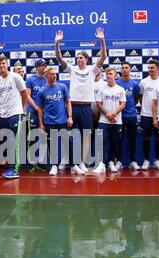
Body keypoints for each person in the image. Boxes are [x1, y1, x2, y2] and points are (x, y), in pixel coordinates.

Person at [55, 27, 107, 174]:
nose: (79, 59)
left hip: (86, 108)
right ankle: (68, 160)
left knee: (85, 137)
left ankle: (82, 162)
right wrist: (57, 43)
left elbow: (103, 58)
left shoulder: (92, 70)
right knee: (69, 136)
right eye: (77, 57)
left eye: (81, 57)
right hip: (73, 107)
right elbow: (59, 58)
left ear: (86, 60)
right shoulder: (72, 69)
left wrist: (102, 41)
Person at [0, 55, 29, 179]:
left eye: (3, 63)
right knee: (7, 142)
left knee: (14, 142)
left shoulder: (16, 77)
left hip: (15, 113)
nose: (1, 66)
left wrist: (20, 108)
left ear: (7, 64)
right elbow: (2, 98)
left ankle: (14, 170)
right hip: (3, 115)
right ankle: (10, 166)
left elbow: (24, 93)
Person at [36, 66, 73, 176]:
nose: (55, 75)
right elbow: (40, 108)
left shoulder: (62, 87)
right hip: (49, 122)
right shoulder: (42, 91)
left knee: (69, 143)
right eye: (52, 74)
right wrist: (41, 123)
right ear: (46, 76)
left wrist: (70, 116)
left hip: (62, 122)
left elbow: (68, 102)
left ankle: (74, 165)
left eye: (55, 73)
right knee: (52, 145)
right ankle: (54, 166)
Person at [93, 67, 126, 174]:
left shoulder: (120, 89)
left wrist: (114, 114)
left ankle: (111, 162)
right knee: (103, 143)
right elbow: (98, 103)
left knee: (114, 143)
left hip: (117, 121)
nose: (108, 75)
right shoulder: (102, 89)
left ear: (115, 76)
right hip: (103, 121)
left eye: (110, 74)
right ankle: (102, 164)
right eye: (107, 74)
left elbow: (123, 104)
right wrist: (107, 114)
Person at [139, 60, 159, 171]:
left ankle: (158, 160)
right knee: (146, 138)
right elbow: (140, 97)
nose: (150, 70)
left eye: (152, 67)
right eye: (148, 68)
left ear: (157, 68)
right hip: (146, 115)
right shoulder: (143, 82)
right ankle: (146, 160)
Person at [116, 61, 140, 171]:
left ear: (130, 70)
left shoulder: (134, 84)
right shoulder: (116, 84)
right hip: (119, 116)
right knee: (118, 140)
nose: (124, 69)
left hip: (131, 116)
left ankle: (133, 161)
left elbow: (135, 99)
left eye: (126, 68)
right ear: (120, 70)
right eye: (123, 68)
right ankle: (119, 161)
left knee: (132, 140)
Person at [25, 58, 47, 172]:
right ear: (36, 67)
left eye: (45, 65)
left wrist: (42, 109)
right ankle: (31, 162)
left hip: (44, 113)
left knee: (43, 137)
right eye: (42, 65)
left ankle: (41, 162)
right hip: (32, 112)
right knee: (32, 137)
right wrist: (36, 107)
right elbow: (27, 96)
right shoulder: (30, 79)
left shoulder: (46, 79)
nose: (45, 67)